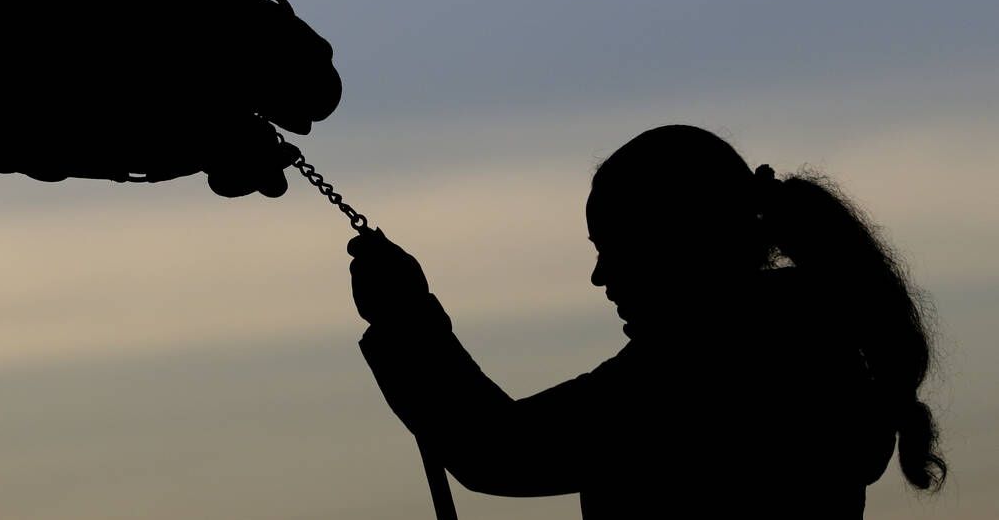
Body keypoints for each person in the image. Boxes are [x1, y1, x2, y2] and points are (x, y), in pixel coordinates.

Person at [348, 124, 946, 518]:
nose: (600, 277)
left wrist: (408, 325)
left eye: (615, 247)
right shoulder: (812, 345)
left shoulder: (696, 370)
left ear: (677, 242)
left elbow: (499, 451)